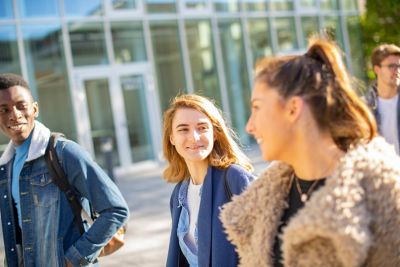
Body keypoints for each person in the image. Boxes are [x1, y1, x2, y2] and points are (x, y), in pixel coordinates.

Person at [220, 38, 400, 267]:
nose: (249, 126)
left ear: (293, 109)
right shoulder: (264, 203)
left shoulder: (382, 192)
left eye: (256, 107)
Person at [0, 73, 130, 267]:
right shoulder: (5, 168)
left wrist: (73, 259)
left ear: (35, 109)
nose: (14, 114)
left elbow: (116, 210)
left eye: (21, 105)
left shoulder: (64, 153)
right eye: (4, 109)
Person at [163, 94, 254, 267]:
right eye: (183, 129)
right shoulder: (178, 195)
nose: (194, 137)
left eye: (202, 127)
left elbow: (267, 244)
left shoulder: (235, 179)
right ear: (172, 138)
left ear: (215, 134)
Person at [365, 44, 400, 154]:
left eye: (399, 66)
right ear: (377, 69)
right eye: (391, 66)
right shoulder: (364, 107)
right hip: (381, 168)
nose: (397, 70)